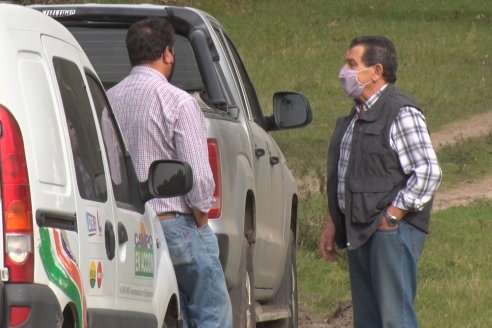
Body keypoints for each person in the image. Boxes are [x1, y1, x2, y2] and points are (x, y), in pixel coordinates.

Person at [107, 18, 232, 328]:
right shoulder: (178, 102)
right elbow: (198, 175)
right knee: (211, 313)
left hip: (128, 228)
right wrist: (201, 217)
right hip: (176, 225)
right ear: (168, 54)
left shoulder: (108, 100)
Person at [319, 36, 442, 328]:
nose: (343, 71)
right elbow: (349, 176)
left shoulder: (400, 112)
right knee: (369, 321)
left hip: (390, 232)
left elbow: (428, 172)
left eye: (351, 64)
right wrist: (334, 221)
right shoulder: (356, 116)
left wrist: (392, 215)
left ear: (376, 71)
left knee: (394, 320)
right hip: (360, 230)